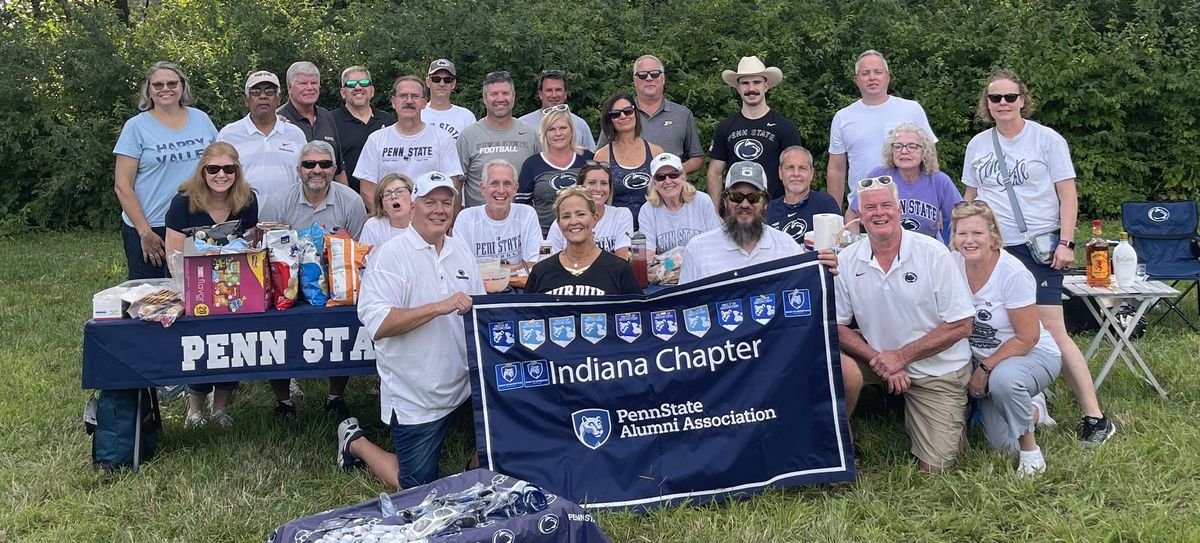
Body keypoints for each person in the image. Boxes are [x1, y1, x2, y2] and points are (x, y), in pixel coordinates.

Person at [962, 68, 1115, 446]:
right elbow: (970, 198)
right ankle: (1029, 400)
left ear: (1023, 100)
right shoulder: (979, 144)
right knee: (995, 326)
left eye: (1009, 97)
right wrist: (961, 239)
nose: (1002, 104)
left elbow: (1067, 194)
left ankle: (1094, 416)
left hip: (1038, 249)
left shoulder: (1047, 140)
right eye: (994, 98)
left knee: (1051, 331)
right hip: (993, 248)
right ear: (987, 104)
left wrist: (1067, 242)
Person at [337, 171, 484, 489]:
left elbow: (478, 311)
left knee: (509, 425)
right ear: (414, 205)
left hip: (464, 385)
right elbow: (378, 324)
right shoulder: (390, 255)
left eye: (447, 202)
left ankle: (477, 464)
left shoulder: (462, 251)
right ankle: (355, 441)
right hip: (417, 394)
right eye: (430, 201)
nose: (439, 209)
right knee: (415, 485)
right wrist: (439, 307)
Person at [836, 176, 975, 473]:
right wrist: (880, 359)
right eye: (869, 207)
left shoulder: (933, 253)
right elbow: (836, 326)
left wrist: (900, 358)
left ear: (899, 209)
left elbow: (962, 324)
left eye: (886, 204)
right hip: (878, 359)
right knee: (824, 366)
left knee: (935, 470)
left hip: (938, 368)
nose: (879, 213)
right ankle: (841, 448)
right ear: (859, 214)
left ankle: (958, 409)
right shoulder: (848, 259)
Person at [951, 200, 1061, 475]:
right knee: (1001, 444)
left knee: (1004, 381)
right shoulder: (951, 263)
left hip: (1030, 353)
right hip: (982, 356)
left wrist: (986, 368)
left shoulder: (1012, 273)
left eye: (977, 233)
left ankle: (1031, 453)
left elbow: (1028, 337)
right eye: (962, 233)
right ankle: (1036, 410)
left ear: (993, 236)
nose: (969, 240)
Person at [259, 141, 368, 420]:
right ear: (298, 170)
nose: (316, 170)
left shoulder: (352, 201)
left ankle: (335, 397)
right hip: (287, 285)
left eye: (324, 164)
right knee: (274, 328)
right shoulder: (278, 203)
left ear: (334, 169)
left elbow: (357, 249)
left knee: (343, 325)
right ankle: (283, 402)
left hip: (337, 283)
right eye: (309, 164)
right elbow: (265, 254)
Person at [163, 142, 258, 428]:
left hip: (234, 286)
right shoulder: (183, 202)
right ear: (202, 171)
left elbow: (251, 245)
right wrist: (189, 290)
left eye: (228, 169)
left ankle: (221, 409)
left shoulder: (248, 200)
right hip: (197, 285)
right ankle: (195, 410)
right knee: (199, 344)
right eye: (213, 169)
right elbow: (173, 253)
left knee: (232, 342)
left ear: (237, 171)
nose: (221, 175)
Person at [114, 61, 217, 280]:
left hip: (195, 222)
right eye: (158, 85)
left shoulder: (201, 119)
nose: (165, 89)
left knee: (199, 290)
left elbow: (219, 164)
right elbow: (123, 186)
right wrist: (144, 232)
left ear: (182, 87)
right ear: (148, 90)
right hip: (152, 226)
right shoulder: (135, 127)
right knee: (152, 298)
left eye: (172, 83)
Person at [827, 50, 937, 208]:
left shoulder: (911, 109)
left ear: (888, 77)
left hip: (911, 205)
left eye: (877, 72)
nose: (872, 77)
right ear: (856, 80)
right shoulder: (843, 117)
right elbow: (837, 169)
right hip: (863, 209)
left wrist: (935, 201)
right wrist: (834, 213)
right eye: (865, 73)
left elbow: (930, 157)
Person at [354, 76, 462, 212]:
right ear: (394, 102)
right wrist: (389, 217)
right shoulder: (376, 139)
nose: (409, 101)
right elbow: (367, 189)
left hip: (430, 221)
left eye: (415, 96)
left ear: (424, 102)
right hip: (389, 222)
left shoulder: (442, 138)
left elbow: (453, 185)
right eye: (403, 96)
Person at [707, 56, 803, 206]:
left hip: (774, 210)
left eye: (756, 82)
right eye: (745, 83)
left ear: (766, 86)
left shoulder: (784, 127)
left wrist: (792, 208)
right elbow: (715, 173)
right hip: (737, 210)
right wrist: (714, 212)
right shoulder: (725, 127)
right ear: (738, 88)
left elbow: (795, 172)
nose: (751, 89)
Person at [848, 123, 962, 240]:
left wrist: (950, 249)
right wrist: (856, 242)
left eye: (912, 146)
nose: (904, 151)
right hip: (883, 250)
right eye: (898, 146)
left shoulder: (939, 181)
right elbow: (852, 214)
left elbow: (960, 218)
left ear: (924, 152)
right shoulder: (879, 176)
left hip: (926, 252)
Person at [596, 54, 704, 174]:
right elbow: (600, 159)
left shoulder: (683, 114)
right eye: (642, 75)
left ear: (663, 79)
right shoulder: (621, 116)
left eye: (654, 74)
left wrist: (671, 172)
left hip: (669, 187)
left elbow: (697, 158)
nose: (649, 78)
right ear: (634, 80)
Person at [526, 187, 642, 296]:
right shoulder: (540, 271)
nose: (573, 221)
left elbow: (638, 314)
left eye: (580, 214)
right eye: (566, 216)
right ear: (559, 223)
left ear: (594, 219)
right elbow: (526, 315)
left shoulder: (619, 269)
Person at [216, 70, 308, 198]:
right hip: (243, 213)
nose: (263, 96)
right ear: (246, 100)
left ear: (279, 99)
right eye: (255, 92)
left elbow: (305, 178)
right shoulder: (228, 135)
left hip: (288, 215)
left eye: (270, 91)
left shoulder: (295, 134)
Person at [457, 71, 540, 209]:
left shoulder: (530, 135)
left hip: (520, 222)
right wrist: (455, 218)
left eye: (505, 93)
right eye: (494, 94)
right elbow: (457, 184)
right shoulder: (468, 136)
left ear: (514, 96)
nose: (500, 99)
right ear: (484, 98)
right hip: (478, 224)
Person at [516, 105, 593, 233]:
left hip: (584, 234)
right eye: (551, 129)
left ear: (572, 130)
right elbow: (522, 208)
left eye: (563, 128)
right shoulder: (532, 164)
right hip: (544, 237)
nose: (558, 133)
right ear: (544, 133)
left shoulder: (587, 159)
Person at [454, 160, 542, 270]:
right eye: (494, 183)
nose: (501, 190)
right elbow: (463, 266)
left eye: (507, 184)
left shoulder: (526, 214)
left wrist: (483, 268)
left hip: (520, 285)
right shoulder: (467, 218)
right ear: (482, 188)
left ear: (515, 189)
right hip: (479, 286)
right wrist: (516, 267)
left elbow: (533, 264)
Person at [593, 91, 665, 224]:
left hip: (653, 225)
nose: (622, 116)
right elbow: (596, 198)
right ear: (610, 120)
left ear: (636, 113)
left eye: (628, 111)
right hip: (615, 228)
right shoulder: (602, 156)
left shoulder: (656, 152)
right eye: (615, 114)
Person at [277, 61, 348, 184]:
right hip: (292, 199)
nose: (310, 88)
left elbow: (339, 170)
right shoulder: (278, 120)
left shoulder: (327, 117)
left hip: (327, 198)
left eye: (314, 83)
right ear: (289, 87)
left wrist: (345, 201)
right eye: (303, 83)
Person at [639, 153, 720, 260]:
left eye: (673, 175)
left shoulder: (702, 201)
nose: (668, 181)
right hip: (667, 273)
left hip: (703, 269)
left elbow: (717, 245)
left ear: (683, 177)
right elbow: (648, 258)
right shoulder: (647, 210)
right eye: (660, 177)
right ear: (654, 183)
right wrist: (674, 266)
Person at [547, 161, 633, 259]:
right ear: (580, 186)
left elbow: (621, 261)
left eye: (604, 183)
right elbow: (552, 264)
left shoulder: (621, 215)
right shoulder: (562, 223)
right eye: (592, 183)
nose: (598, 188)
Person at [331, 66, 396, 194]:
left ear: (372, 91)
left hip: (386, 203)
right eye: (351, 84)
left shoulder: (387, 120)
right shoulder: (330, 121)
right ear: (343, 92)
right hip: (346, 204)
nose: (358, 87)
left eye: (364, 83)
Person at [765, 146, 841, 244]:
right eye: (790, 168)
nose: (796, 174)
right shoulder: (769, 211)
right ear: (780, 173)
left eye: (802, 168)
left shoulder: (825, 204)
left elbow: (838, 248)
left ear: (811, 173)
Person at [518, 69, 596, 152]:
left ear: (565, 93)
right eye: (549, 90)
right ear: (540, 94)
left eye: (558, 90)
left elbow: (592, 158)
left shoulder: (580, 125)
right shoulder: (523, 124)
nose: (554, 95)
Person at [359, 173, 414, 260]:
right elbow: (365, 264)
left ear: (412, 196)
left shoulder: (425, 224)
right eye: (387, 194)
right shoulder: (373, 226)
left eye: (399, 191)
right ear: (382, 205)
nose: (393, 196)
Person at [421, 59, 477, 140]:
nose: (442, 84)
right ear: (428, 82)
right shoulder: (417, 114)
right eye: (436, 79)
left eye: (447, 80)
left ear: (454, 84)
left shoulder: (466, 117)